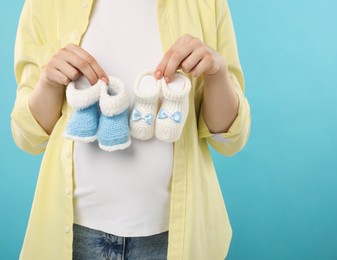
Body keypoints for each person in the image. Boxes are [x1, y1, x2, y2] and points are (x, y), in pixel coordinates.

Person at [11, 0, 251, 259]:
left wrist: (217, 72)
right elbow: (29, 136)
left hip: (171, 237)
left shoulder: (207, 4)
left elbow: (229, 138)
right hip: (73, 235)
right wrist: (48, 82)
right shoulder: (44, 4)